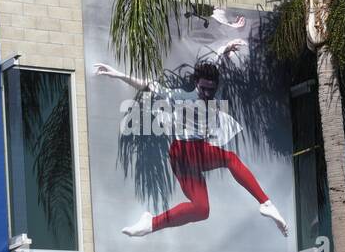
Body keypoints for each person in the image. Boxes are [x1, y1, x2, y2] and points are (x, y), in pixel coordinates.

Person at [92, 36, 289, 238]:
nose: (206, 93)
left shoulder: (211, 90)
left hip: (192, 157)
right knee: (229, 158)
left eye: (210, 90)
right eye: (203, 89)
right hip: (183, 151)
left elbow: (215, 64)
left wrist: (224, 48)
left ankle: (150, 224)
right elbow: (147, 85)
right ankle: (266, 203)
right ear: (196, 84)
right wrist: (117, 74)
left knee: (202, 209)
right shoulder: (181, 97)